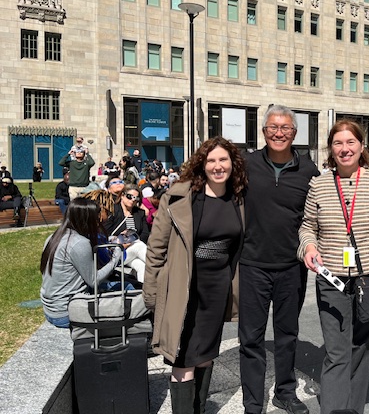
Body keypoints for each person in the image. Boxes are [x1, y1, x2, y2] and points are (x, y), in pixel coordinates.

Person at [143, 137, 247, 414]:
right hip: (185, 288)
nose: (217, 166)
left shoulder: (238, 197)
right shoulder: (179, 196)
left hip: (218, 288)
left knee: (205, 356)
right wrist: (152, 293)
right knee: (184, 359)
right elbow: (156, 248)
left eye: (223, 159)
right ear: (201, 164)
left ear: (232, 163)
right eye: (211, 160)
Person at [299, 120, 369, 414]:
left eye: (351, 142)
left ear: (361, 146)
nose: (345, 149)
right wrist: (309, 246)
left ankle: (354, 409)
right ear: (331, 149)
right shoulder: (319, 184)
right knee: (337, 351)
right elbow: (307, 226)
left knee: (364, 349)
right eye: (338, 143)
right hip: (332, 279)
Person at [239, 105, 318, 414]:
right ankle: (253, 402)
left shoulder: (308, 170)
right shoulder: (246, 164)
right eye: (273, 127)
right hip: (252, 265)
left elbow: (318, 215)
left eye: (285, 128)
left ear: (294, 133)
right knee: (251, 339)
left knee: (287, 335)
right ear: (263, 132)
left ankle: (285, 391)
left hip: (290, 267)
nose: (279, 132)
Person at [40, 197, 123, 328]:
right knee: (127, 289)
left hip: (52, 309)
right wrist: (116, 258)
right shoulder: (79, 243)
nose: (98, 222)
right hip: (67, 313)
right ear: (87, 219)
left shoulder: (53, 237)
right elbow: (94, 280)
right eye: (96, 218)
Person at [102, 184, 149, 283]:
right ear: (122, 195)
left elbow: (145, 234)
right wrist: (123, 239)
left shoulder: (139, 213)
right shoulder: (113, 211)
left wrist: (131, 239)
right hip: (116, 250)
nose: (133, 200)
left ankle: (142, 292)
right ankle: (159, 266)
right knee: (139, 246)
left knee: (141, 266)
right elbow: (106, 232)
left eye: (136, 198)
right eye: (129, 196)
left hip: (131, 250)